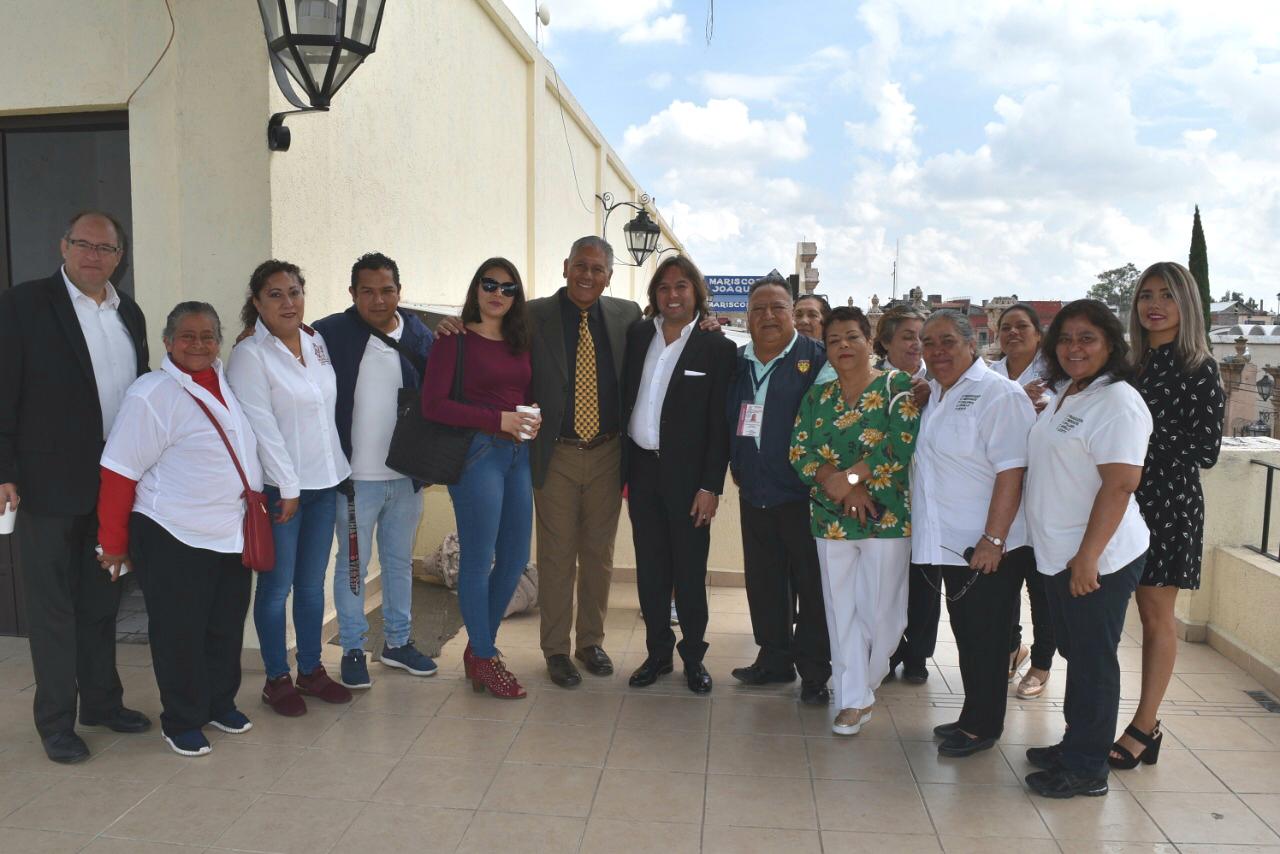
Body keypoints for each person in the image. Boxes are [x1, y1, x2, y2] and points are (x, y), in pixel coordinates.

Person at [440, 237, 642, 688]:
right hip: (554, 451)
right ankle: (555, 650)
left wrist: (706, 322)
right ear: (565, 266)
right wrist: (450, 324)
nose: (587, 276)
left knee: (599, 555)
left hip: (608, 450)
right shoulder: (532, 315)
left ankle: (590, 641)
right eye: (580, 266)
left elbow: (665, 338)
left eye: (598, 269)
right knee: (555, 555)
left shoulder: (627, 315)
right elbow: (483, 334)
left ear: (609, 275)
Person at [0, 210, 153, 764]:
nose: (93, 255)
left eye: (105, 248)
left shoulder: (128, 313)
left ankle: (103, 704)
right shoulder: (22, 305)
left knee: (101, 602)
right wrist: (4, 468)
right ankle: (57, 722)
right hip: (45, 486)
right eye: (82, 244)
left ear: (120, 256)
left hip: (113, 487)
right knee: (53, 609)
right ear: (62, 246)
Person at [97, 303, 260, 756]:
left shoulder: (228, 382)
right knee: (179, 633)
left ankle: (218, 704)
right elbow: (118, 472)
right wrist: (112, 543)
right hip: (172, 534)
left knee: (224, 627)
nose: (198, 344)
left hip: (229, 532)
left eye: (208, 336)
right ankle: (182, 719)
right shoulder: (152, 394)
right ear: (168, 342)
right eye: (187, 336)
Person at [1022, 299, 1151, 799]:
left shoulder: (1118, 401)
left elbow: (1119, 485)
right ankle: (1078, 744)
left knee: (1094, 660)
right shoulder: (1070, 393)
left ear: (1111, 346)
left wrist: (1088, 558)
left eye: (1087, 338)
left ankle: (1087, 768)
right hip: (1060, 552)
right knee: (1078, 653)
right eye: (1066, 339)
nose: (1074, 348)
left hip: (1099, 556)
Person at [1110, 262, 1223, 769]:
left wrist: (1136, 437)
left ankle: (1144, 724)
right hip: (1117, 501)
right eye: (1145, 295)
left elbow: (1206, 450)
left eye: (1167, 295)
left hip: (1168, 505)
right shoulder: (1127, 365)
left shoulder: (1199, 365)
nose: (1153, 304)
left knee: (1156, 618)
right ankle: (1091, 716)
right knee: (1108, 616)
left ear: (1187, 304)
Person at [228, 260, 353, 716]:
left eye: (295, 291)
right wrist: (288, 487)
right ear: (257, 302)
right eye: (276, 294)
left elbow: (323, 413)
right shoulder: (249, 356)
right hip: (283, 492)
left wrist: (335, 473)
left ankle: (312, 671)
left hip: (325, 482)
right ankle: (276, 679)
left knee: (311, 584)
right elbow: (262, 429)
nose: (288, 302)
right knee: (277, 587)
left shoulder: (315, 341)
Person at [912, 310, 1037, 757]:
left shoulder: (999, 395)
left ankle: (984, 726)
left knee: (986, 636)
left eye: (947, 341)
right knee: (968, 634)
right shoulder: (936, 395)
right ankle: (972, 714)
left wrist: (994, 539)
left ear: (971, 344)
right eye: (929, 344)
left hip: (987, 546)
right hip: (948, 542)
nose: (937, 351)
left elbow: (1013, 471)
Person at [791, 306, 920, 735]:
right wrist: (838, 484)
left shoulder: (897, 387)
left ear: (870, 342)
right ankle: (852, 699)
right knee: (840, 612)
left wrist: (850, 479)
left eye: (852, 337)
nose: (843, 346)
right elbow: (800, 452)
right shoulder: (817, 397)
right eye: (833, 340)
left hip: (886, 518)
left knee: (884, 615)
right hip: (830, 520)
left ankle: (863, 683)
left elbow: (898, 447)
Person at [313, 253, 438, 689]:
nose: (378, 299)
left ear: (399, 292)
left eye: (387, 290)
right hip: (352, 482)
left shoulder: (420, 334)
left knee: (399, 564)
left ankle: (398, 643)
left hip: (406, 477)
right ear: (352, 294)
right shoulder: (328, 333)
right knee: (352, 566)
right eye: (367, 290)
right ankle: (351, 647)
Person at [421, 258, 540, 699]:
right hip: (478, 455)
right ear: (476, 288)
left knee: (513, 559)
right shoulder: (455, 339)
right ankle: (487, 657)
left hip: (517, 454)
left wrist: (528, 418)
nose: (498, 294)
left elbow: (520, 394)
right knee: (478, 559)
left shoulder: (519, 340)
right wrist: (499, 419)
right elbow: (434, 405)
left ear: (516, 297)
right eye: (489, 285)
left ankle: (479, 651)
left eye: (508, 288)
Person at [622, 256, 736, 694]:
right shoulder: (636, 336)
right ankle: (657, 655)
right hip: (641, 471)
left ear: (697, 293)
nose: (673, 294)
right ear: (654, 294)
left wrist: (710, 486)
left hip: (690, 481)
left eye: (682, 286)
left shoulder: (717, 348)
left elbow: (719, 427)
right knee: (651, 570)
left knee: (689, 572)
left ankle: (693, 658)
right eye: (665, 287)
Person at [728, 273, 834, 704]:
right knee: (765, 581)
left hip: (803, 495)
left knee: (811, 587)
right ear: (748, 316)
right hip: (754, 491)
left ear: (793, 313)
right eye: (759, 309)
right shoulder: (736, 361)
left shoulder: (819, 359)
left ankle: (813, 672)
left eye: (777, 308)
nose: (768, 316)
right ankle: (773, 659)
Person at [990, 302, 1056, 700]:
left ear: (1038, 333)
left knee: (1040, 586)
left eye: (1021, 327)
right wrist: (1017, 397)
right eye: (1006, 328)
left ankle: (1043, 662)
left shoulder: (1057, 376)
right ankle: (1013, 649)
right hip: (1003, 496)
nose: (1013, 333)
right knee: (1004, 583)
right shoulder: (992, 375)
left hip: (1044, 494)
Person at [876, 304, 938, 684]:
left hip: (927, 500)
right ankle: (884, 651)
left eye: (922, 337)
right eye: (908, 336)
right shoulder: (869, 382)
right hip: (882, 498)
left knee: (926, 580)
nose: (917, 345)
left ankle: (917, 654)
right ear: (885, 342)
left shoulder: (944, 382)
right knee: (884, 582)